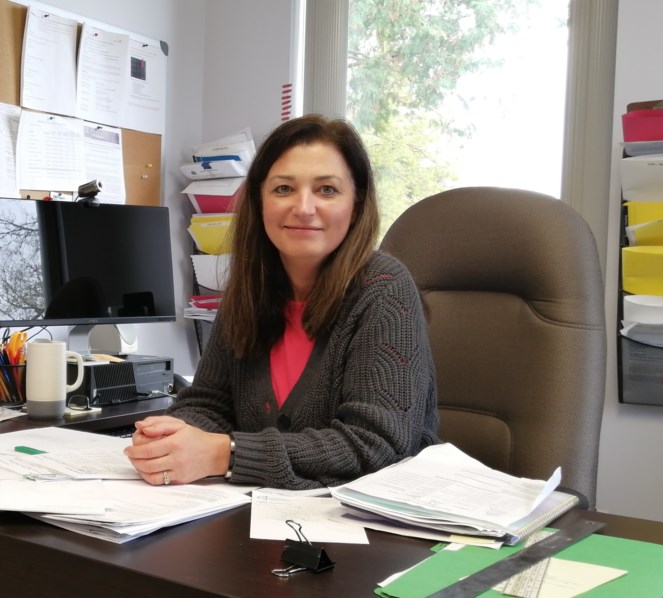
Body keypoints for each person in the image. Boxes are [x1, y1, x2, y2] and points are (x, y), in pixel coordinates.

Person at [124, 114, 439, 489]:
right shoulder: (250, 286)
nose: (304, 207)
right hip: (259, 516)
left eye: (326, 190)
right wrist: (173, 436)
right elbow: (209, 403)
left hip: (367, 530)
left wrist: (226, 453)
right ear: (259, 202)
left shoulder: (384, 289)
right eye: (284, 189)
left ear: (355, 204)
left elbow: (378, 444)